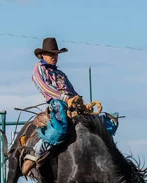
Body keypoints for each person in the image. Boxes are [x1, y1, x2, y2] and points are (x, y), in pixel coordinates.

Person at [22, 38, 118, 175]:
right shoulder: (39, 69)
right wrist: (65, 98)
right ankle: (37, 152)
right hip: (57, 103)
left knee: (102, 123)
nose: (54, 57)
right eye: (51, 54)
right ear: (43, 55)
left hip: (71, 103)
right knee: (60, 127)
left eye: (55, 54)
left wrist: (82, 103)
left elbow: (72, 91)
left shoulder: (60, 74)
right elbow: (45, 88)